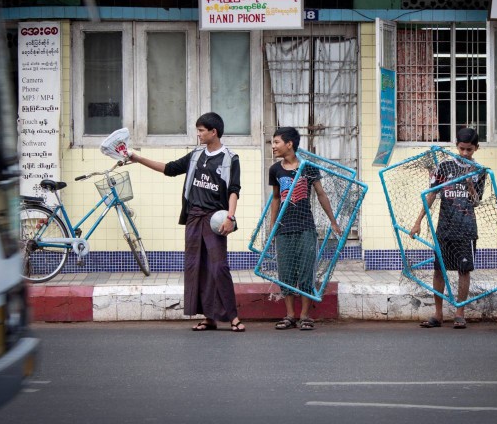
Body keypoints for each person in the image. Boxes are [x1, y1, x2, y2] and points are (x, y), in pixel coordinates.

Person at [129, 112, 245, 332]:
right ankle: (208, 317)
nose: (198, 134)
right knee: (197, 267)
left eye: (202, 130)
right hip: (193, 218)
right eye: (198, 130)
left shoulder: (231, 158)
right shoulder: (195, 156)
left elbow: (234, 190)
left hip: (215, 220)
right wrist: (138, 158)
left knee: (219, 267)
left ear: (214, 132)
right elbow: (169, 169)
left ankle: (232, 317)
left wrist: (230, 217)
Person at [410, 127, 485, 329]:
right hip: (445, 227)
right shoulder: (444, 166)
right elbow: (432, 195)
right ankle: (438, 313)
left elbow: (477, 201)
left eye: (469, 150)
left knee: (464, 270)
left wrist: (469, 184)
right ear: (456, 146)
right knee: (438, 271)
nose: (464, 153)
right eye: (461, 149)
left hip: (466, 228)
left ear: (476, 148)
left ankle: (459, 313)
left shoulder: (479, 171)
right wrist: (418, 222)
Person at [269, 127, 341, 331]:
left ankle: (305, 316)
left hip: (306, 227)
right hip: (284, 229)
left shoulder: (308, 167)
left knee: (306, 272)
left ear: (289, 144)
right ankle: (290, 315)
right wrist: (273, 227)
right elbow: (275, 198)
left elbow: (321, 194)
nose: (273, 146)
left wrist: (333, 221)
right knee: (286, 273)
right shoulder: (275, 170)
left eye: (276, 142)